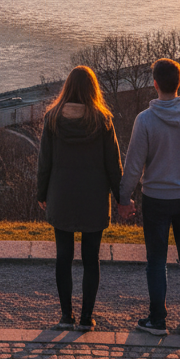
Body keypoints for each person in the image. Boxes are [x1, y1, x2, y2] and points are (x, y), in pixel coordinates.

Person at [118, 57, 180, 336]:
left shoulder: (145, 120)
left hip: (156, 198)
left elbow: (134, 165)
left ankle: (157, 320)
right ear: (179, 83)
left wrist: (124, 198)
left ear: (155, 84)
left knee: (156, 260)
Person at [36, 65, 124, 331]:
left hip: (61, 195)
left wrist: (42, 193)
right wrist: (122, 198)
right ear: (93, 89)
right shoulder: (103, 121)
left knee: (63, 256)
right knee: (91, 259)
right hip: (94, 197)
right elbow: (113, 164)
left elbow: (44, 162)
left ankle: (66, 316)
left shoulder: (52, 119)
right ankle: (86, 317)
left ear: (67, 87)